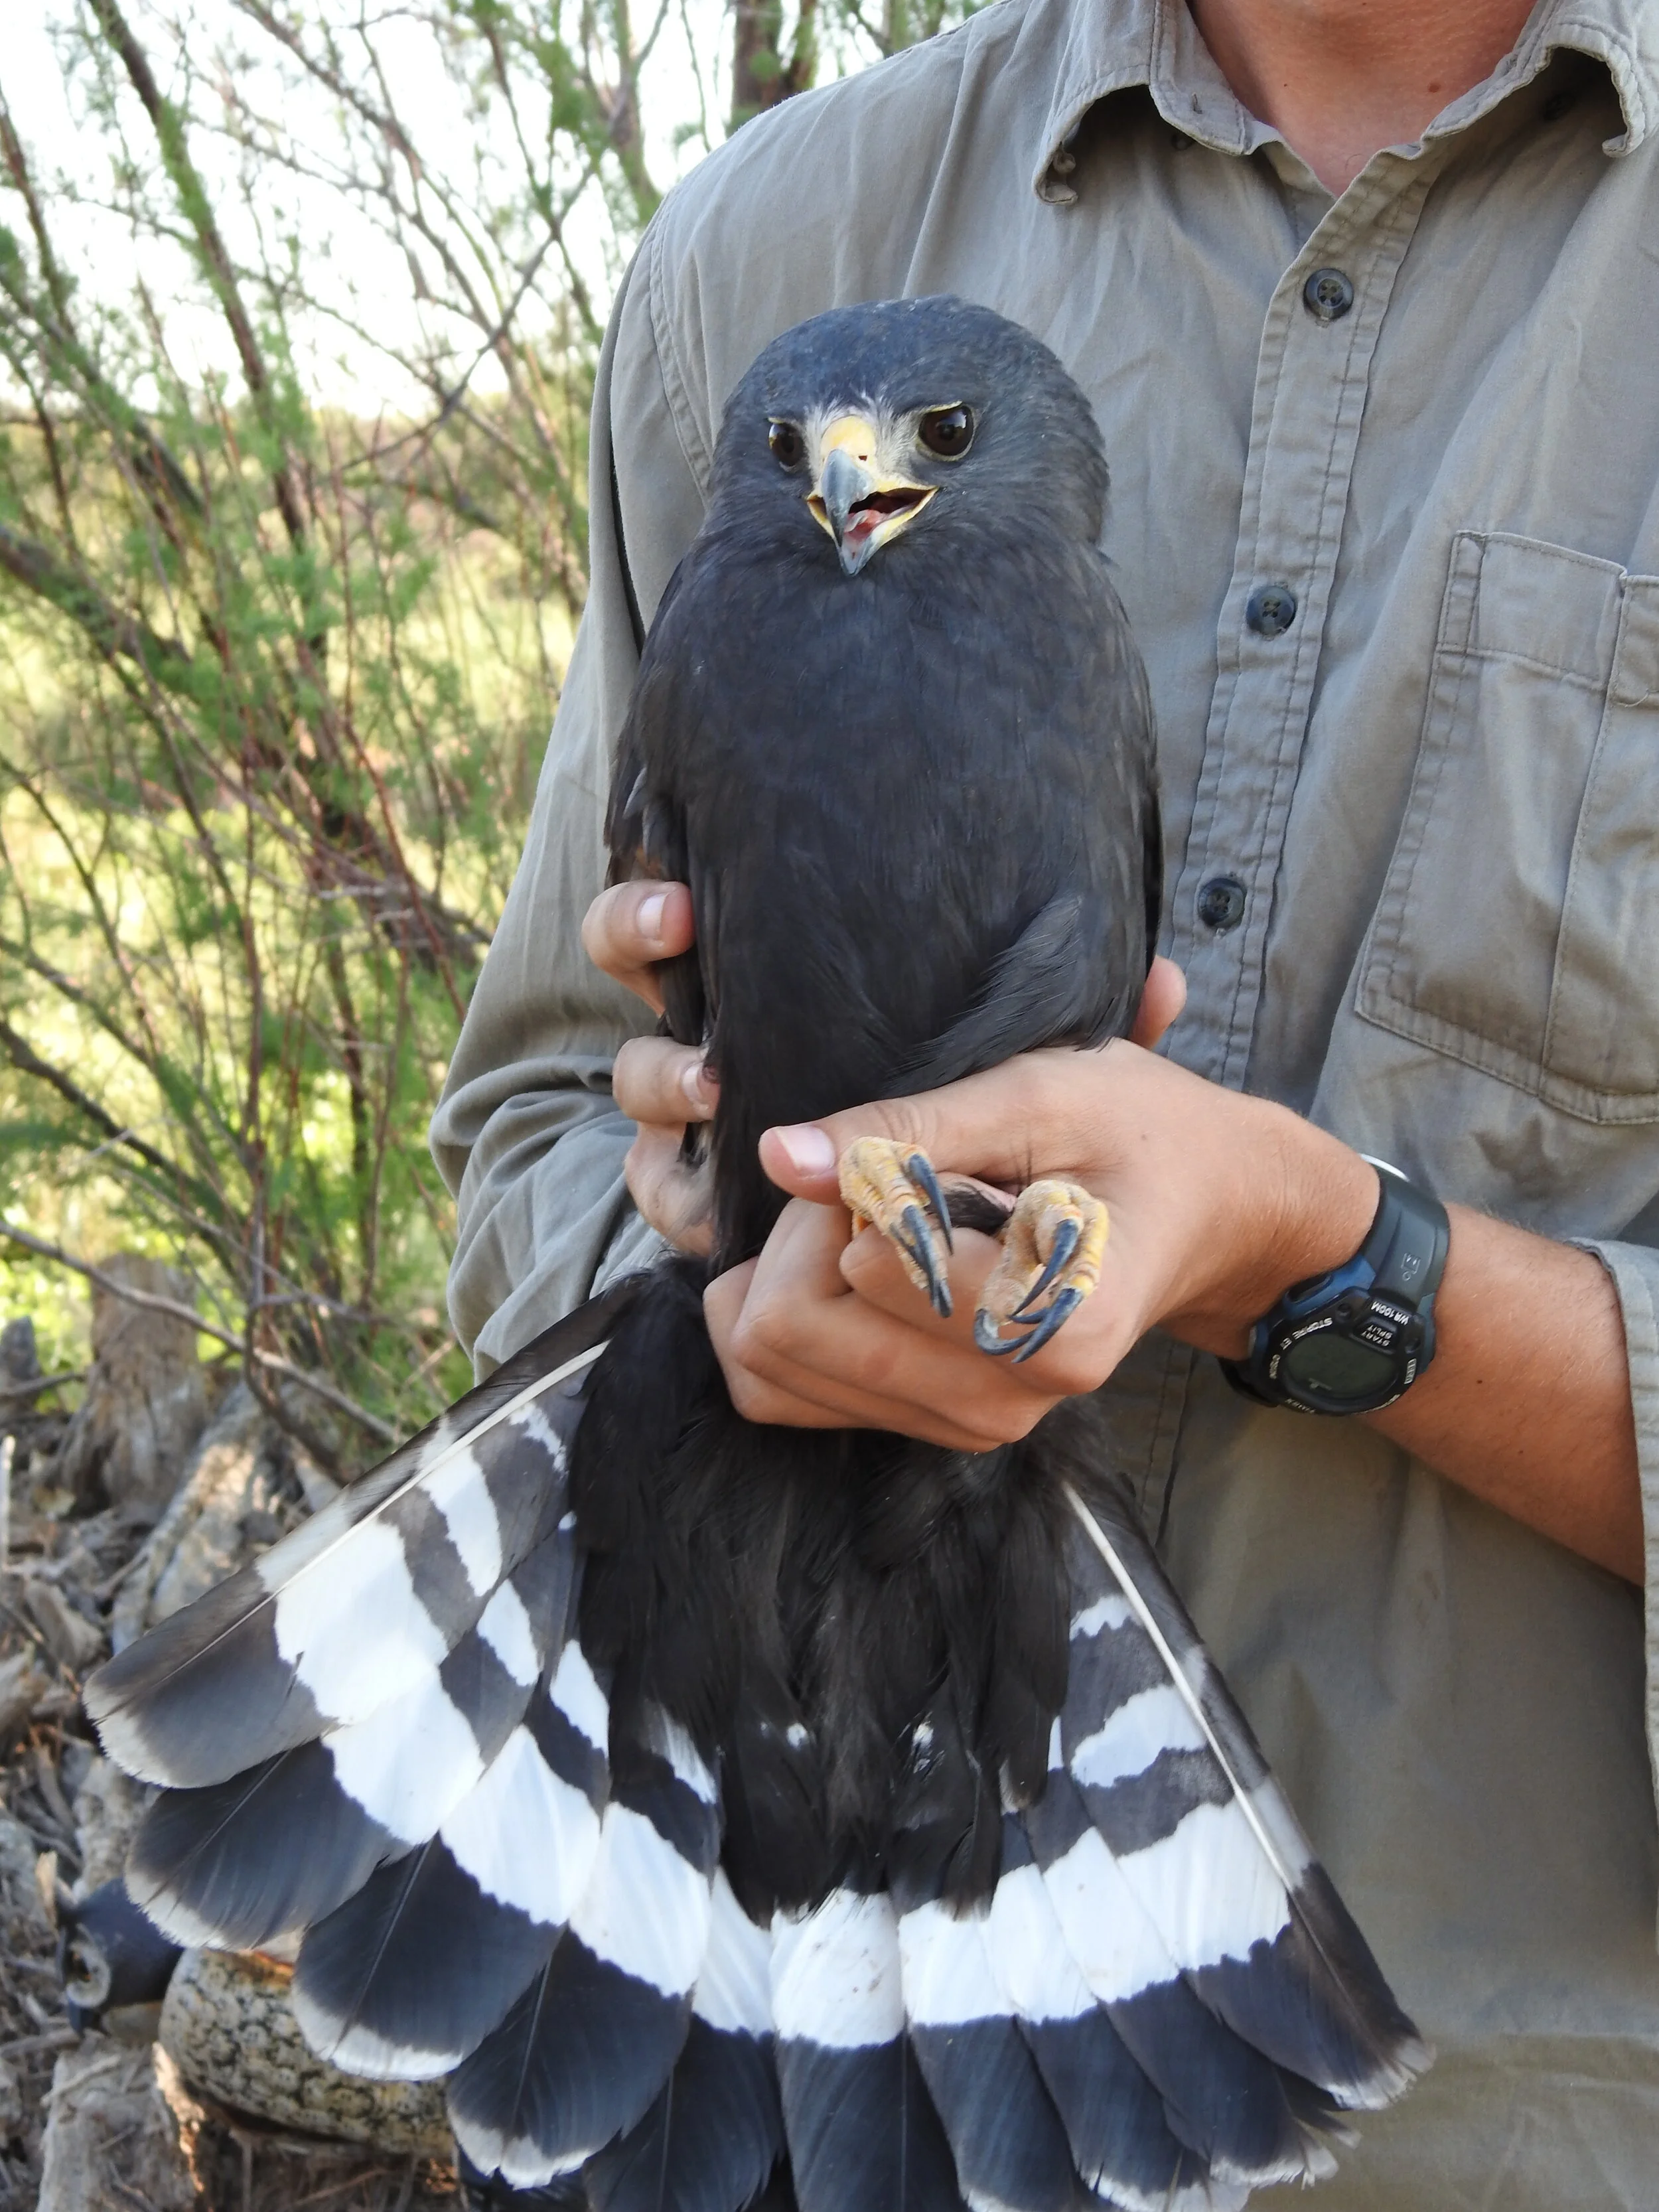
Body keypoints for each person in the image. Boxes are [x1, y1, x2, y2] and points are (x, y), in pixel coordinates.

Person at [430, 0, 1659, 2200]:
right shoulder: (764, 248)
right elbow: (536, 1117)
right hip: (777, 2009)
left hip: (1521, 2123)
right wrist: (719, 1245)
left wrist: (1314, 1255)